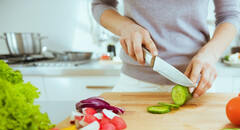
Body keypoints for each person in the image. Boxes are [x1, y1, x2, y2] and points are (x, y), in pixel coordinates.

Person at [92, 0, 240, 97]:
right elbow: (101, 4)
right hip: (134, 85)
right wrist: (125, 27)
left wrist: (210, 54)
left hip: (196, 85)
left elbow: (230, 15)